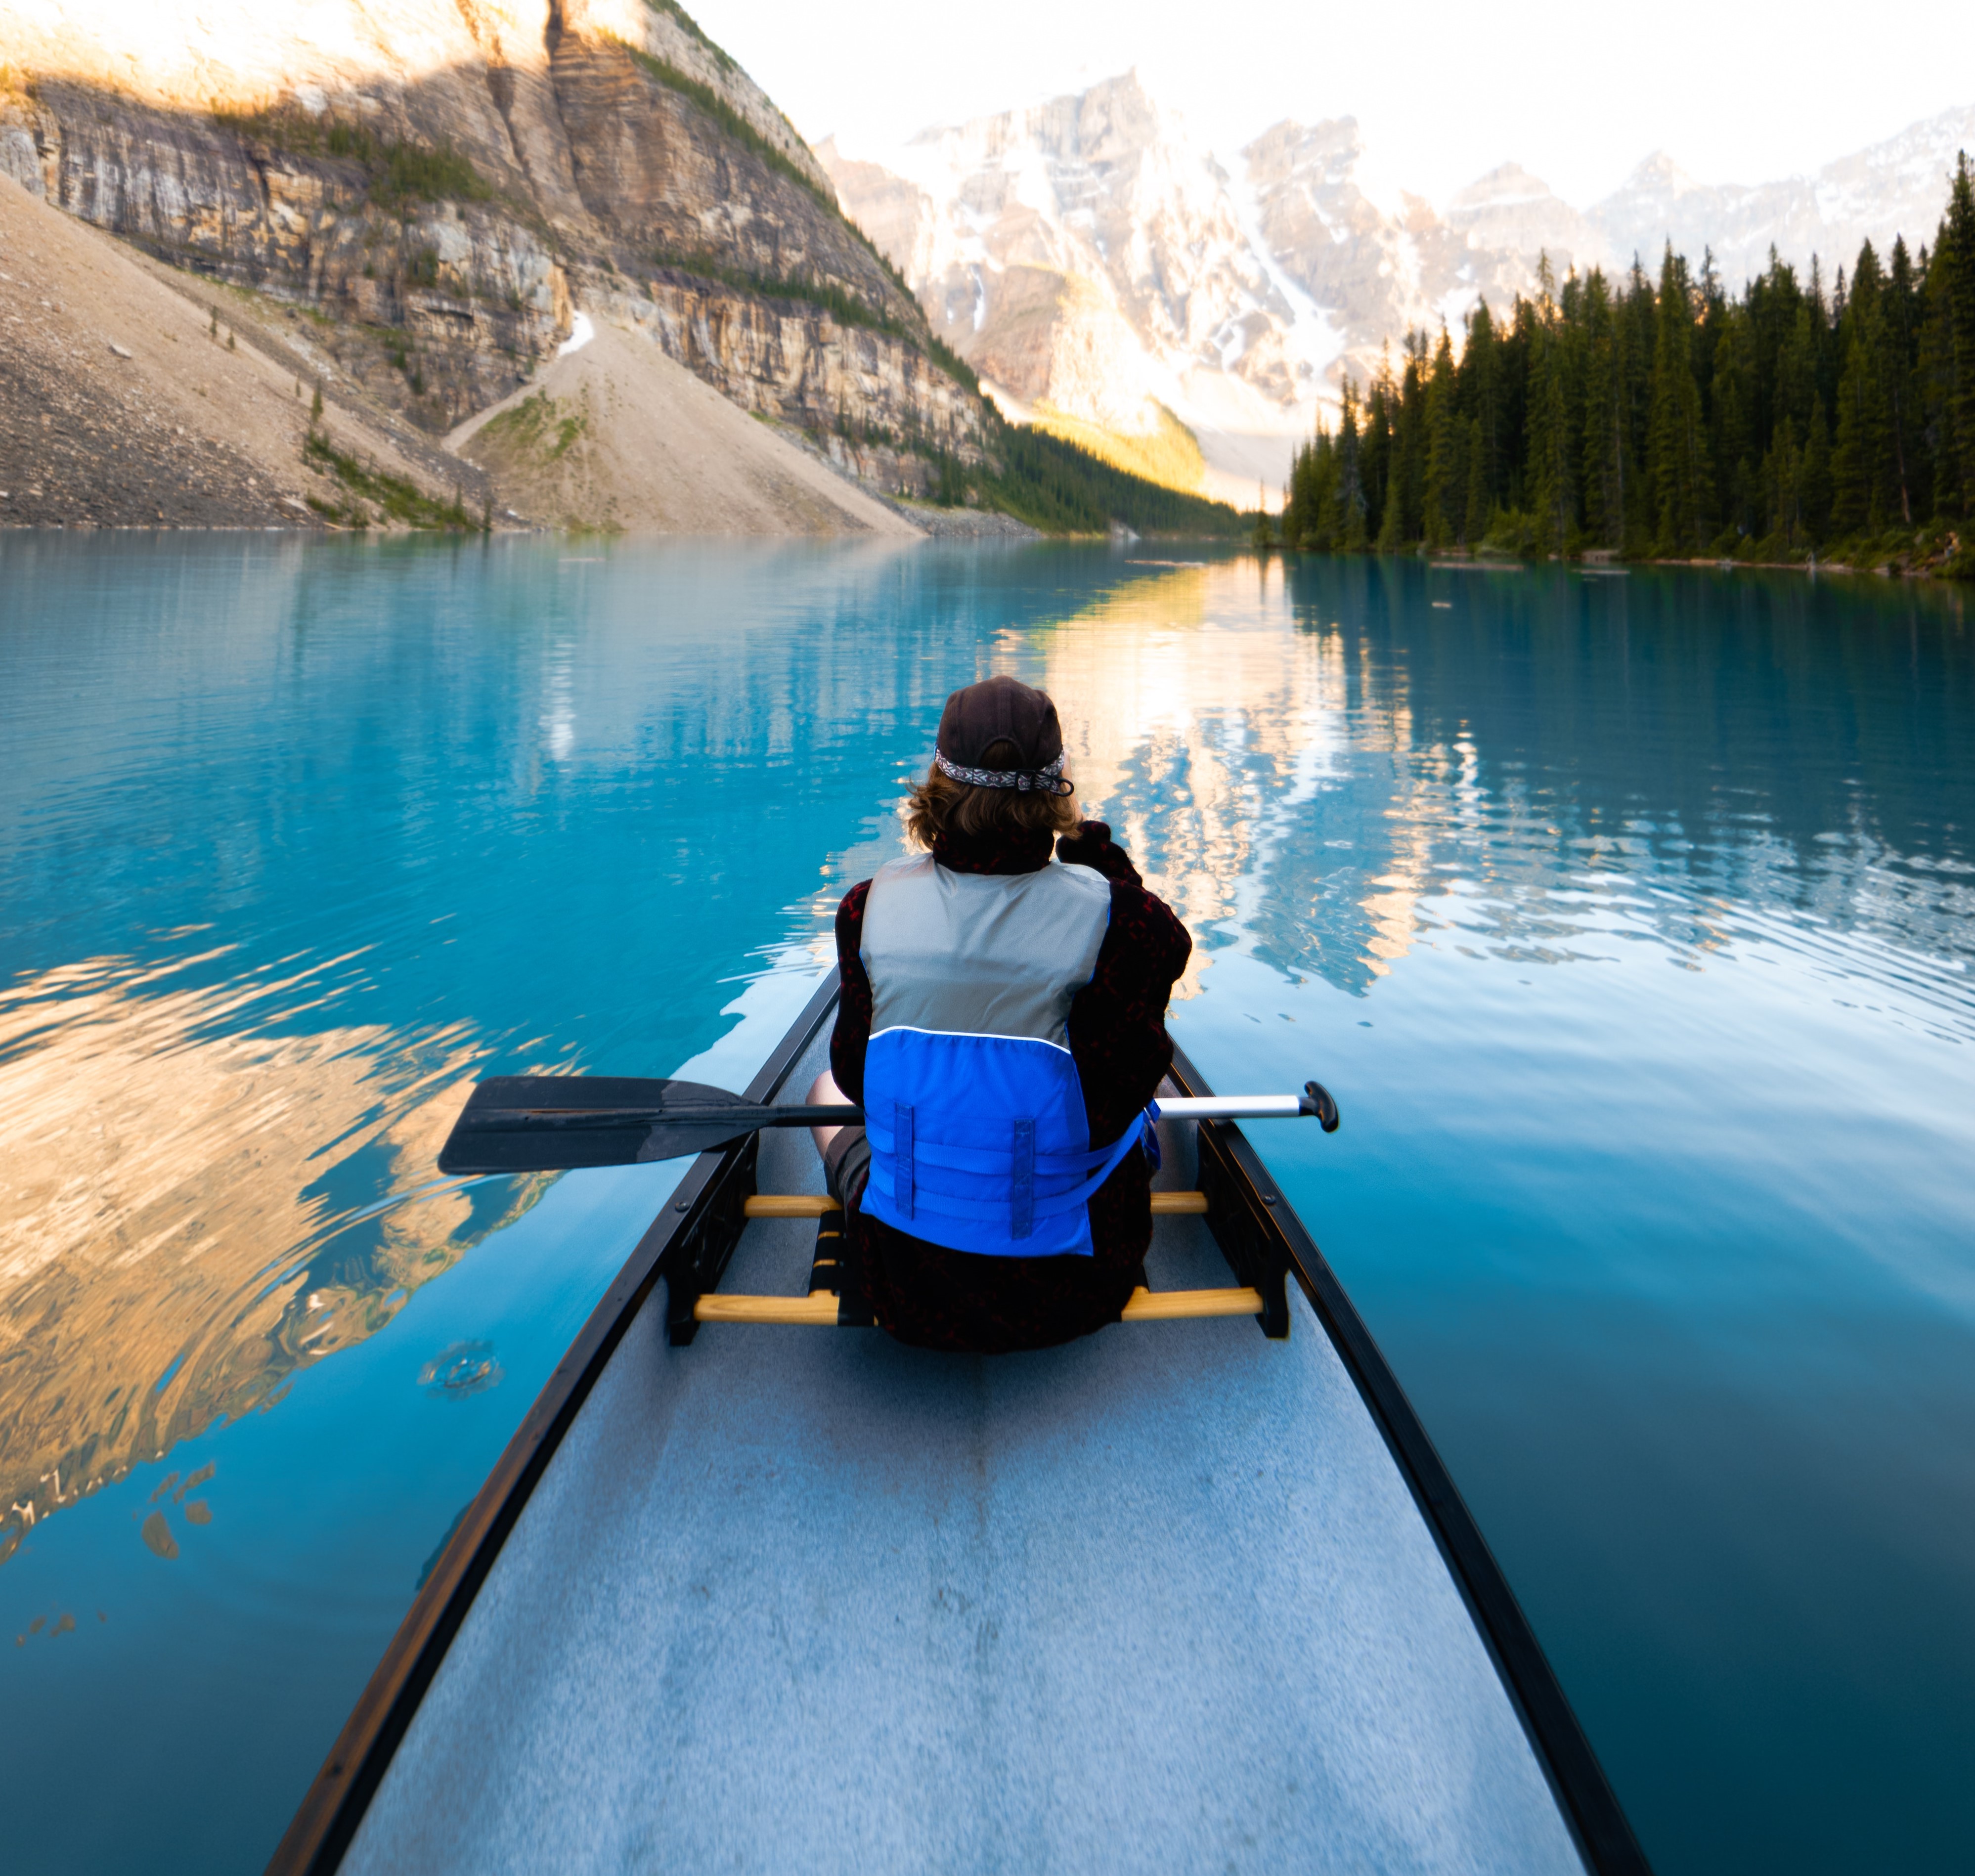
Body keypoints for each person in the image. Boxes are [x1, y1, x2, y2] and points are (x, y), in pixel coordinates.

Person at [807, 674, 1191, 1353]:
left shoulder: (867, 909)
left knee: (826, 1087)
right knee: (1154, 1079)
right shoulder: (1125, 920)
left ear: (939, 782)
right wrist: (1105, 867)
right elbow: (1164, 973)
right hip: (1076, 1285)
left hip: (906, 1281)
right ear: (1056, 789)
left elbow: (856, 1076)